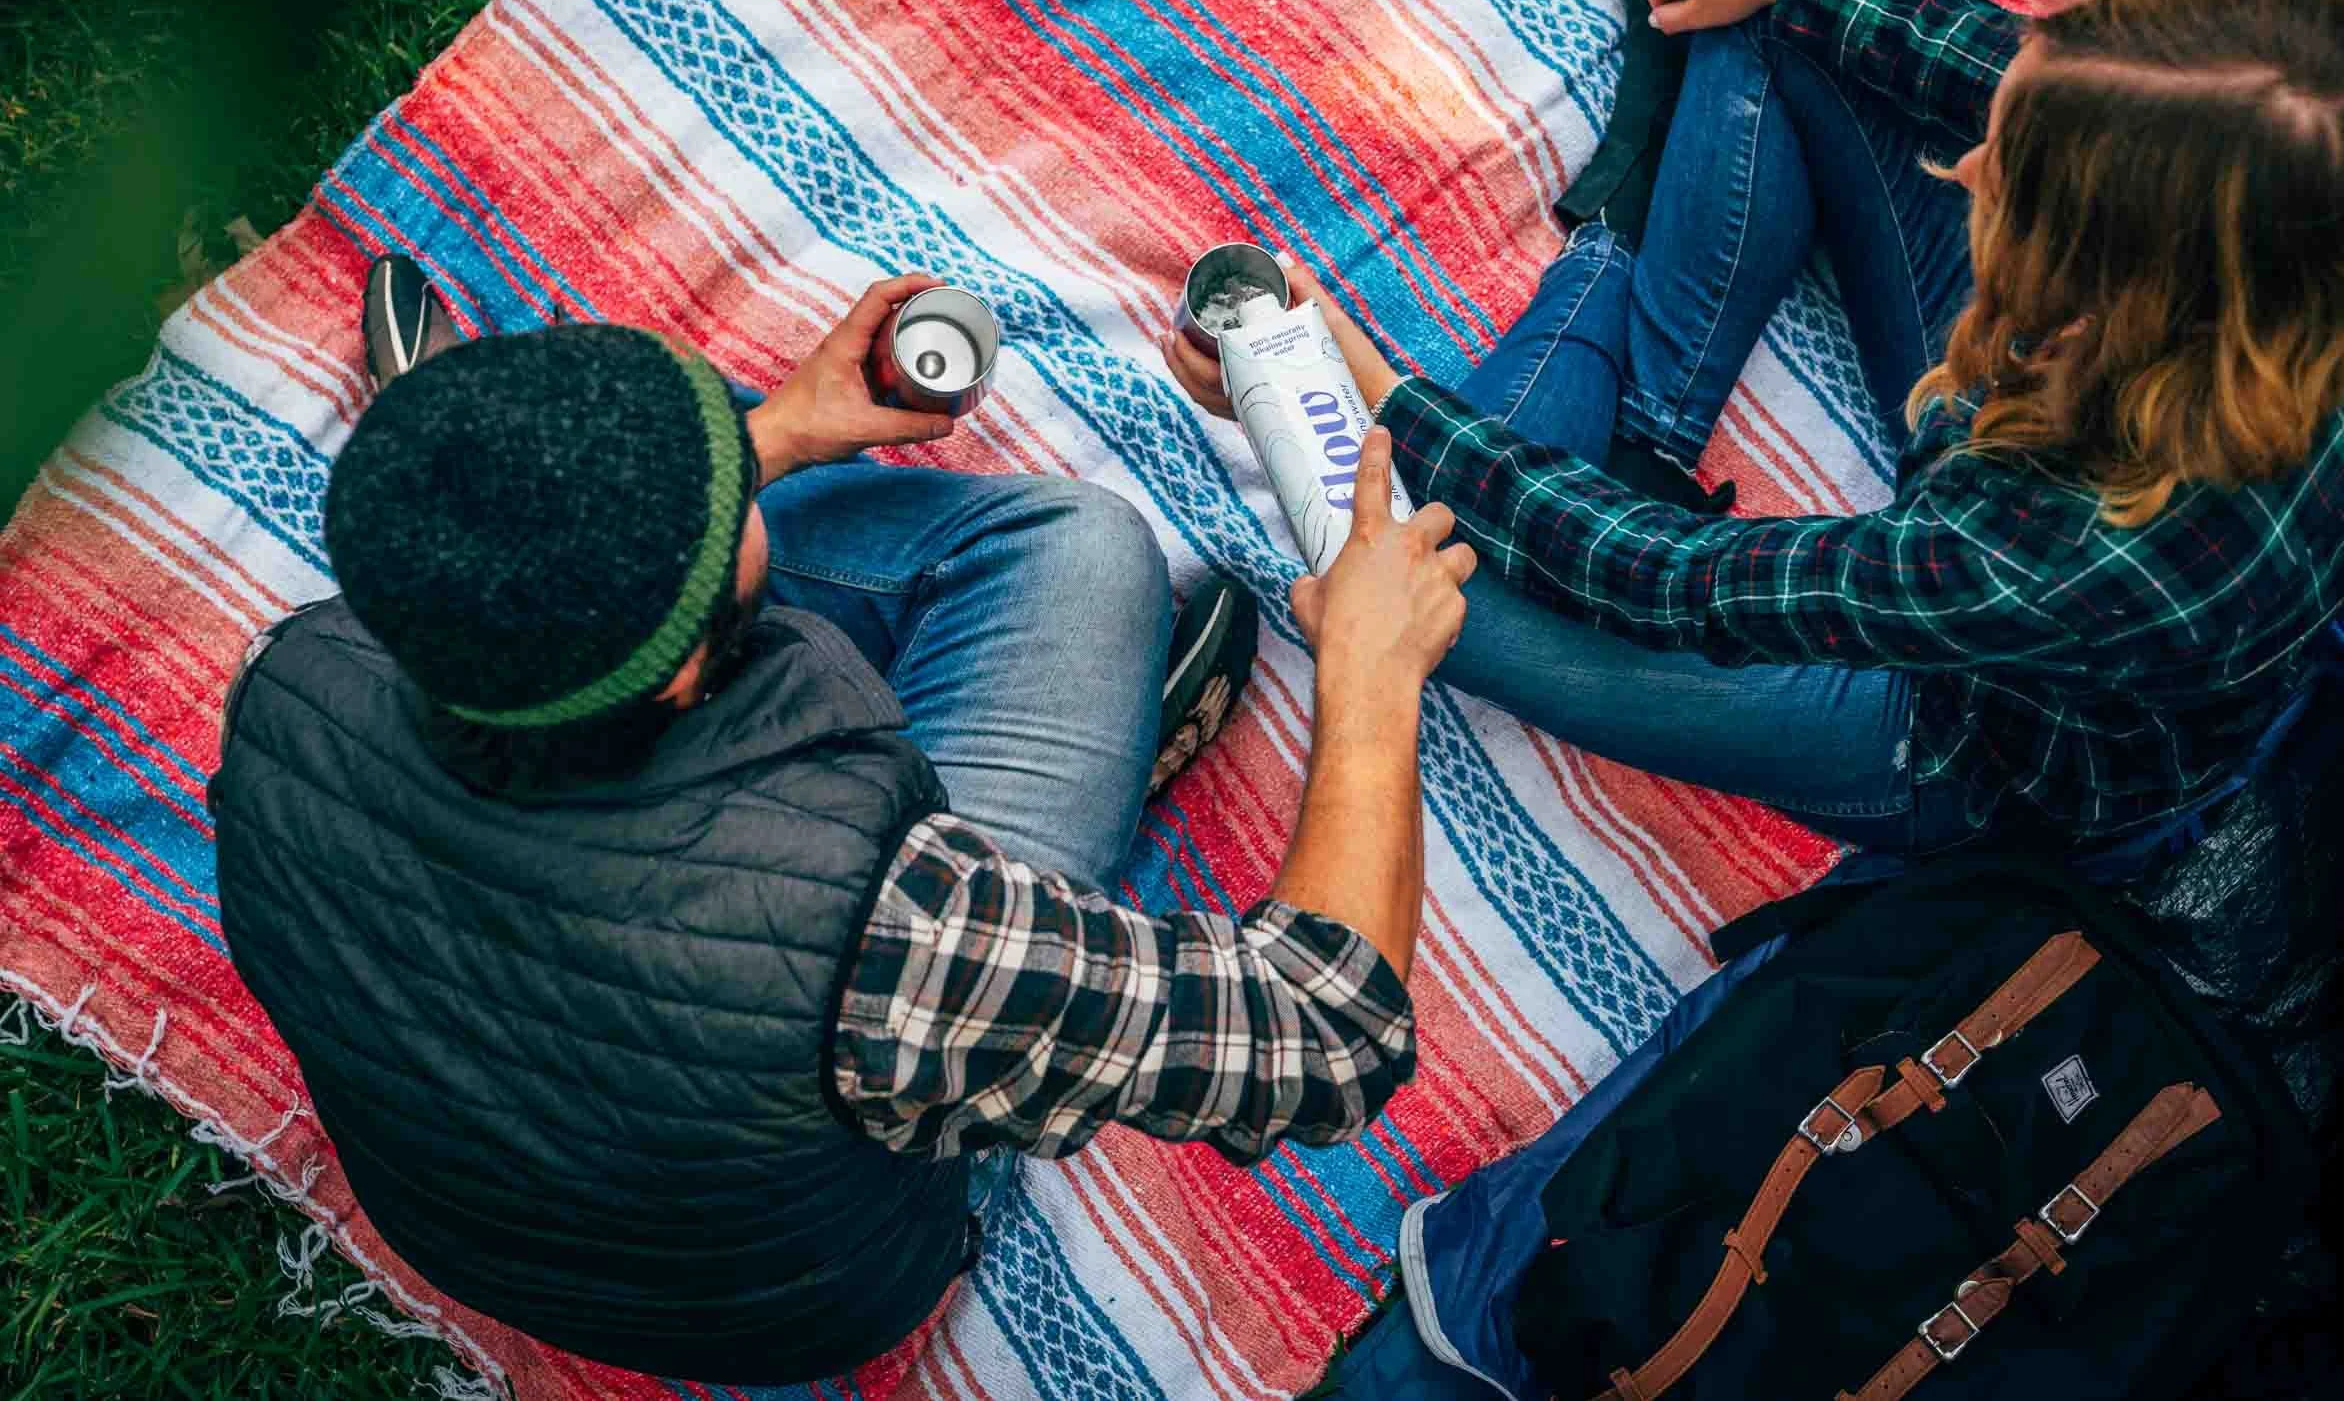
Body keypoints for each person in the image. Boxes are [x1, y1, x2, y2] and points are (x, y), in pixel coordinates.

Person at [209, 261, 1476, 1383]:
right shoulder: (895, 929)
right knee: (1081, 545)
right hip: (791, 1297)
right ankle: (1096, 779)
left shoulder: (285, 677)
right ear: (680, 682)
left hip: (476, 1205)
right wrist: (1373, 674)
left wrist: (774, 436)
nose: (742, 453)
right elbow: (1323, 1035)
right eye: (723, 487)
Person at [1166, 0, 2344, 855]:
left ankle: (1612, 248)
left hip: (1951, 736)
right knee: (1771, 24)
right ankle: (1644, 424)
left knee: (1405, 594)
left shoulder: (2051, 547)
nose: (1960, 171)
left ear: (2094, 295)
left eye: (2001, 184)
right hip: (2054, 450)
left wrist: (1387, 398)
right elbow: (2030, 82)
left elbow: (1681, 583)